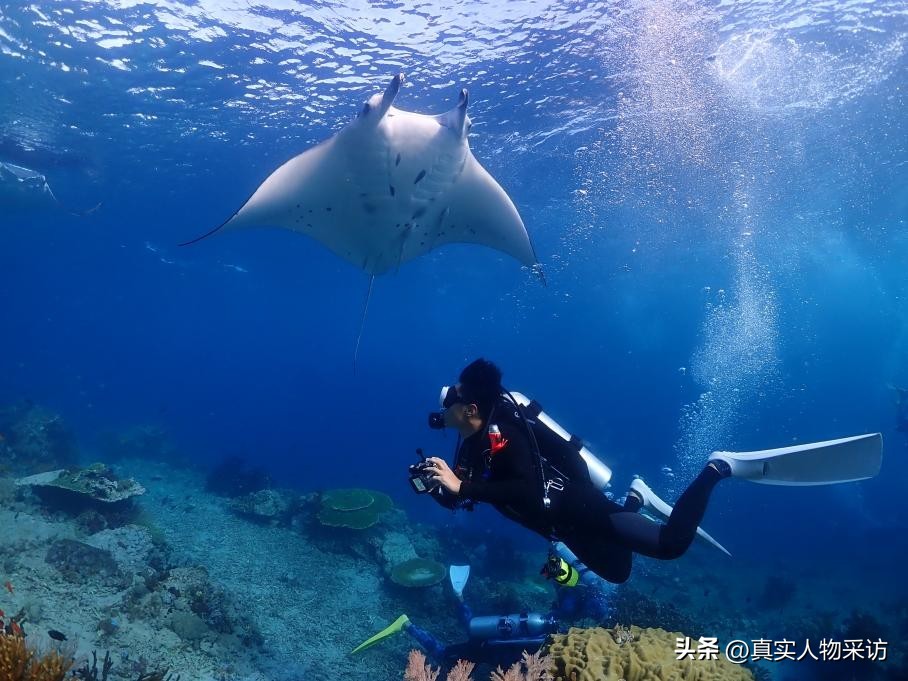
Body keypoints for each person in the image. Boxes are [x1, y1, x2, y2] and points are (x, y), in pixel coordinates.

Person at [420, 358, 730, 584]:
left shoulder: (504, 435)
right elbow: (464, 495)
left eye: (453, 398)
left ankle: (717, 467)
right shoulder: (471, 446)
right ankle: (637, 497)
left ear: (470, 409)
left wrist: (462, 487)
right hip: (562, 528)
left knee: (670, 544)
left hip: (577, 505)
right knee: (618, 572)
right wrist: (439, 488)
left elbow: (523, 487)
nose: (444, 405)